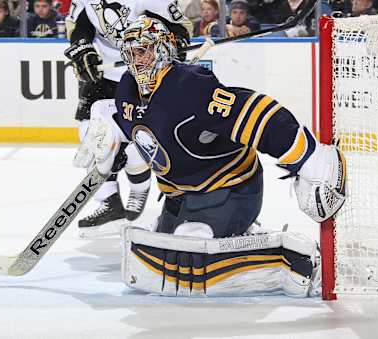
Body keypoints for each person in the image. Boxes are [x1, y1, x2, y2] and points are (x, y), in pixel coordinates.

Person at [80, 16, 346, 297]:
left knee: (191, 249)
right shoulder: (127, 87)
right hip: (178, 197)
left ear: (163, 51)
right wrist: (111, 133)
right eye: (131, 53)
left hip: (229, 189)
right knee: (164, 248)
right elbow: (136, 121)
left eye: (143, 50)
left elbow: (256, 114)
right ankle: (234, 237)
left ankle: (290, 261)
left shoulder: (190, 87)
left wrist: (310, 157)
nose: (137, 61)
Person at [63, 0, 191, 238]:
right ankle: (110, 203)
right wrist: (82, 48)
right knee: (91, 137)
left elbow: (178, 26)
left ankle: (139, 187)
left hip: (141, 74)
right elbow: (78, 24)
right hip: (101, 72)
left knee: (137, 143)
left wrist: (178, 40)